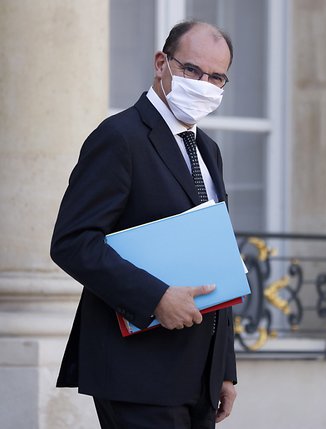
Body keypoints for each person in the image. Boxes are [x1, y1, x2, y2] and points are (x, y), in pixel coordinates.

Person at [50, 20, 237, 428]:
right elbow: (73, 241)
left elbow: (217, 254)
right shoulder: (119, 138)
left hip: (199, 377)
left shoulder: (208, 150)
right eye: (191, 70)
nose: (203, 83)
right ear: (161, 63)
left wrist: (224, 367)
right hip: (137, 374)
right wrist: (154, 298)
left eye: (216, 77)